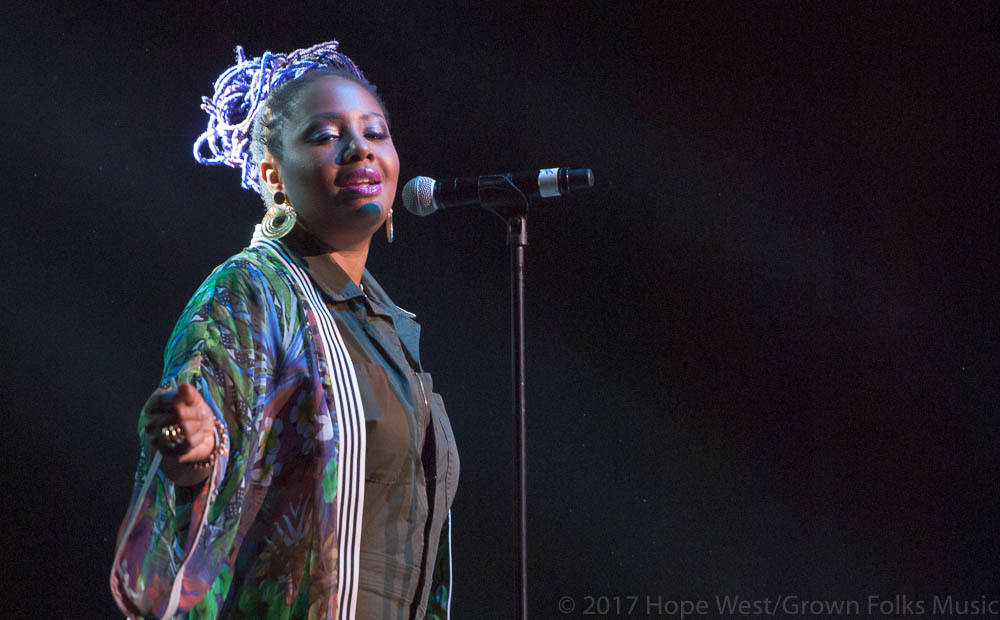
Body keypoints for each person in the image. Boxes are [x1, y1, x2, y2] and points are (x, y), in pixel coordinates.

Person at [110, 41, 459, 620]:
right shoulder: (253, 291)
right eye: (326, 136)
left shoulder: (390, 329)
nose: (359, 150)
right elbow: (208, 419)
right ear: (274, 176)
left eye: (375, 133)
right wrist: (194, 447)